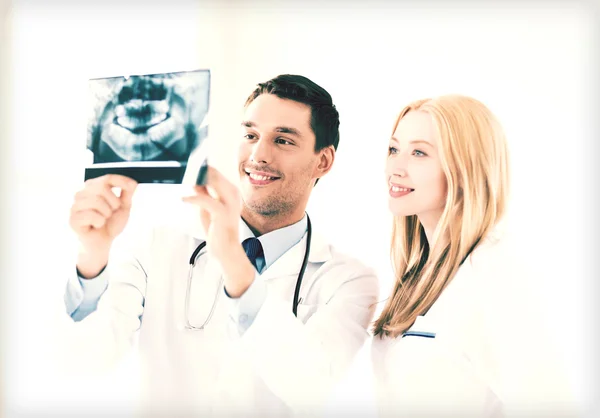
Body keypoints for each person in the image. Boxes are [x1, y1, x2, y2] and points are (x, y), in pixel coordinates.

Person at [63, 74, 379, 417]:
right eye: (251, 135)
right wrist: (92, 256)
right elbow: (86, 360)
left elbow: (313, 386)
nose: (259, 155)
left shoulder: (350, 280)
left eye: (283, 140)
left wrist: (234, 263)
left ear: (323, 161)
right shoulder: (159, 243)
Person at [370, 94, 577, 417]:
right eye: (394, 149)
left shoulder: (494, 268)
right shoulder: (419, 273)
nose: (395, 167)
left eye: (419, 153)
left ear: (464, 167)